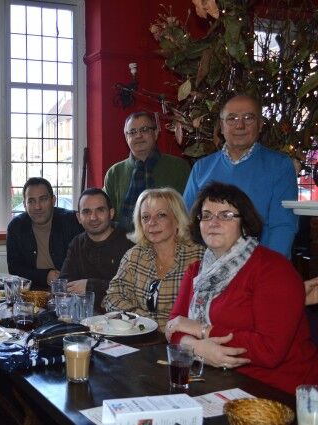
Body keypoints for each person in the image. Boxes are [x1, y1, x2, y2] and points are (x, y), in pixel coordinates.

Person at [166, 182, 318, 394]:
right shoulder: (196, 271)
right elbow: (173, 327)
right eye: (206, 215)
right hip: (219, 382)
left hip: (281, 390)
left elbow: (269, 351)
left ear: (244, 224)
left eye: (226, 215)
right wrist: (198, 348)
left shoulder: (273, 269)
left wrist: (202, 330)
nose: (214, 222)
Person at [183, 94, 297, 258]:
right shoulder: (202, 168)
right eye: (232, 118)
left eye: (248, 118)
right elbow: (187, 222)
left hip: (260, 263)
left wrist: (267, 267)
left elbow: (283, 226)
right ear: (221, 126)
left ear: (260, 124)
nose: (240, 125)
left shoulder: (280, 166)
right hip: (208, 264)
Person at [103, 188, 204, 330]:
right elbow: (112, 297)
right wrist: (145, 321)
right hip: (138, 335)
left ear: (177, 219)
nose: (152, 223)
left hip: (182, 339)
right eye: (145, 217)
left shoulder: (198, 257)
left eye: (161, 215)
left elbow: (201, 312)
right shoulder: (134, 255)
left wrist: (142, 321)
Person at [104, 111, 190, 232]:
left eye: (144, 130)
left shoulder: (179, 167)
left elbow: (187, 211)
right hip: (124, 241)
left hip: (170, 239)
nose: (138, 136)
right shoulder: (114, 173)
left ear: (155, 133)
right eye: (132, 132)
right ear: (126, 137)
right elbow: (106, 215)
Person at [60, 188, 134, 312]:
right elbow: (65, 283)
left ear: (111, 213)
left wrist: (89, 285)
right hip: (84, 314)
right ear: (79, 217)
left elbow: (131, 288)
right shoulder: (77, 243)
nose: (93, 217)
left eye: (100, 210)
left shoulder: (129, 243)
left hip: (121, 317)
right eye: (86, 212)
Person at [7, 177, 83, 289]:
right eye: (31, 201)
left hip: (71, 289)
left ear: (53, 200)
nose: (38, 207)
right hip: (32, 292)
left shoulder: (72, 221)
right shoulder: (16, 227)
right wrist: (44, 276)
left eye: (43, 199)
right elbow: (14, 269)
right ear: (24, 205)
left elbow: (84, 263)